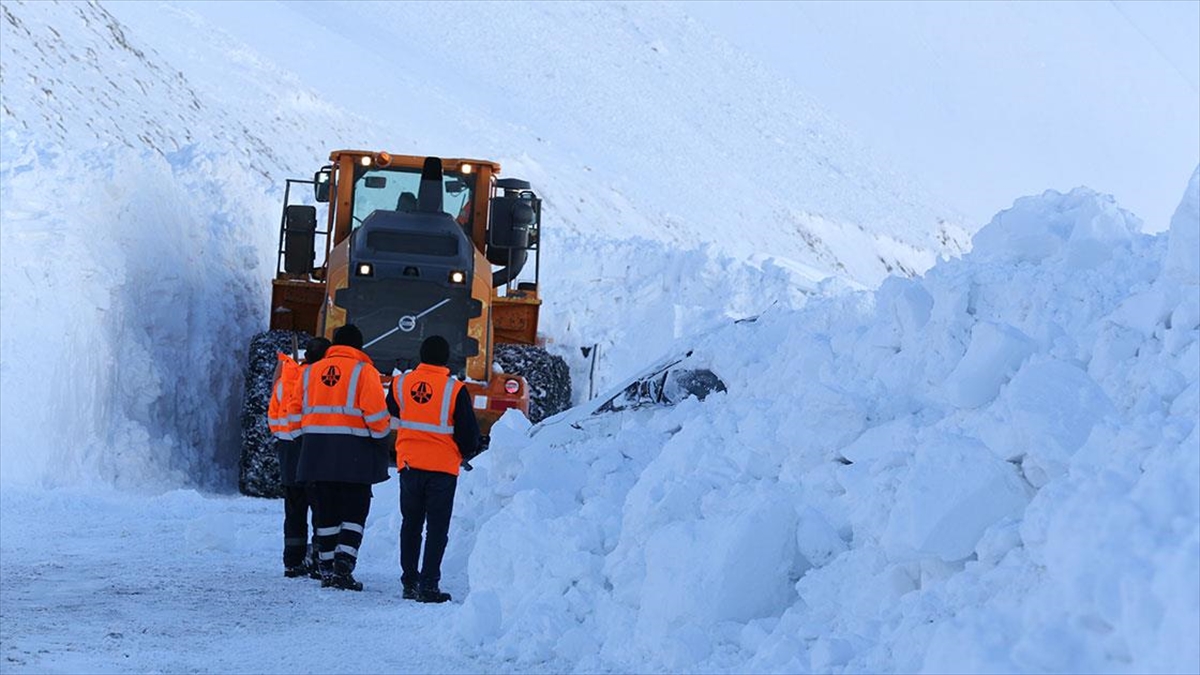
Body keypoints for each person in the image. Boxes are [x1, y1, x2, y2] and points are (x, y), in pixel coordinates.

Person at [292, 324, 391, 591]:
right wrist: (382, 437)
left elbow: (293, 411)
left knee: (326, 512)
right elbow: (376, 416)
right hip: (354, 454)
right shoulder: (364, 371)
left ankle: (325, 568)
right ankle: (343, 568)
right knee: (354, 512)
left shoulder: (309, 372)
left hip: (316, 452)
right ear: (358, 346)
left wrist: (304, 438)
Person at [386, 335, 483, 603]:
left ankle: (409, 582)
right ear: (446, 358)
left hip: (409, 465)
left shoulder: (401, 383)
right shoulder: (455, 389)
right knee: (437, 529)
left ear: (421, 355)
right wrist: (467, 452)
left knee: (411, 524)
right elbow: (468, 433)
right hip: (442, 469)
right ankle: (429, 585)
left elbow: (392, 410)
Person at [268, 337, 330, 579]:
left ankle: (292, 561)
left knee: (294, 509)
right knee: (320, 507)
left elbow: (273, 418)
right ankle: (318, 560)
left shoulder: (285, 380)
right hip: (312, 448)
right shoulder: (318, 381)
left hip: (287, 450)